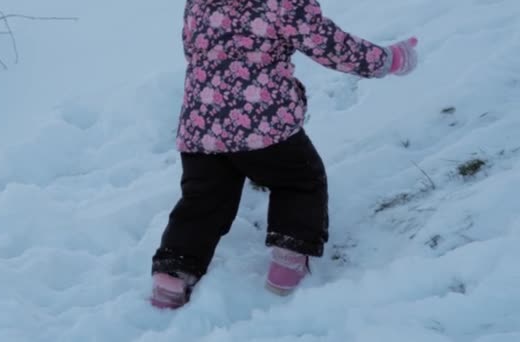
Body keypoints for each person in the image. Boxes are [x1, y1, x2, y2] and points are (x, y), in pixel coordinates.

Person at [150, 0, 418, 309]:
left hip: (202, 124)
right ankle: (288, 258)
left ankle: (172, 273)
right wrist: (390, 60)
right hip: (262, 122)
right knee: (299, 181)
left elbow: (195, 48)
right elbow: (328, 44)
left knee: (203, 198)